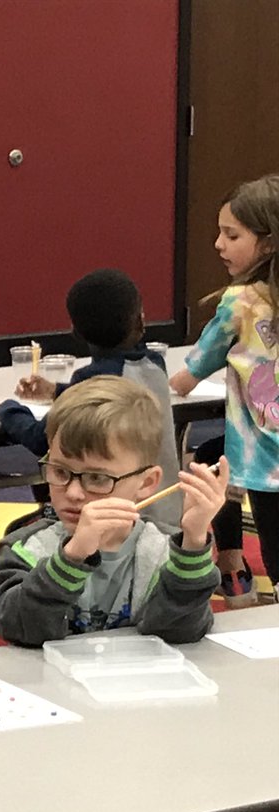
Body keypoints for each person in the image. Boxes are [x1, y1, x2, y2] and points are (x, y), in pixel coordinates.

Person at [0, 376, 226, 647]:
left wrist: (194, 541)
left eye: (98, 479)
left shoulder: (163, 550)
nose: (74, 493)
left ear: (146, 483)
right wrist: (71, 558)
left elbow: (179, 633)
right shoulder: (25, 548)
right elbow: (20, 630)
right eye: (60, 471)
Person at [0, 268, 182, 527]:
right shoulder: (154, 364)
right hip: (169, 512)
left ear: (76, 331)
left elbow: (43, 437)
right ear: (140, 322)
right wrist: (57, 391)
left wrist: (8, 410)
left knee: (19, 534)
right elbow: (117, 398)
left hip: (119, 516)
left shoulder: (94, 377)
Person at [171, 173, 279, 600]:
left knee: (274, 536)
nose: (219, 244)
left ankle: (236, 568)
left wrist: (179, 380)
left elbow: (200, 360)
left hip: (264, 451)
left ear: (268, 243)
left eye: (232, 235)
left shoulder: (241, 300)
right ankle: (232, 561)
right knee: (213, 457)